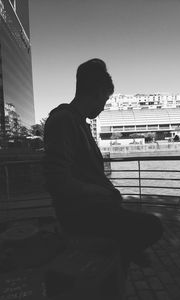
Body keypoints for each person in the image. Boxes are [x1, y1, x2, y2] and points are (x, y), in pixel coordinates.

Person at [44, 58, 163, 271]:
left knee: (135, 232)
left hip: (89, 208)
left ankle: (121, 255)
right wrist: (99, 191)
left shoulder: (77, 122)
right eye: (105, 100)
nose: (103, 106)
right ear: (98, 92)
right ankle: (119, 254)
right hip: (79, 214)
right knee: (152, 227)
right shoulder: (64, 121)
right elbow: (57, 181)